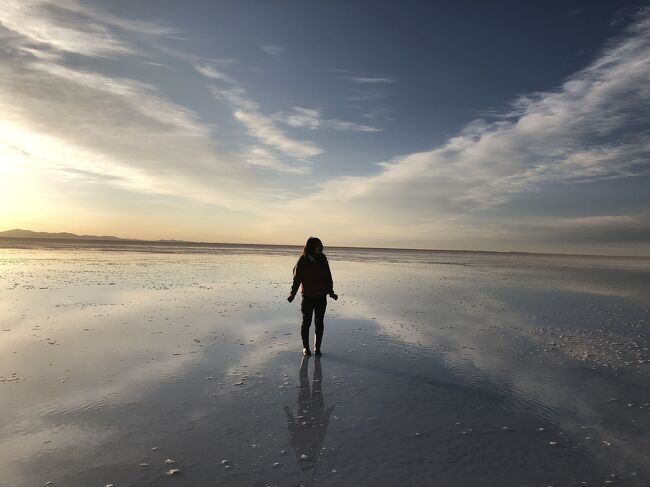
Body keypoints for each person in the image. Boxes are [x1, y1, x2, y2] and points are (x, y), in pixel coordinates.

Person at [287, 237, 338, 356]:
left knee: (319, 322)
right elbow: (297, 279)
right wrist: (292, 294)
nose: (321, 248)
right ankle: (306, 348)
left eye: (321, 246)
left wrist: (331, 292)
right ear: (311, 247)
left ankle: (317, 348)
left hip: (321, 297)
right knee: (306, 322)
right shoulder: (303, 260)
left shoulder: (323, 259)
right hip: (308, 297)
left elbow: (328, 278)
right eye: (318, 246)